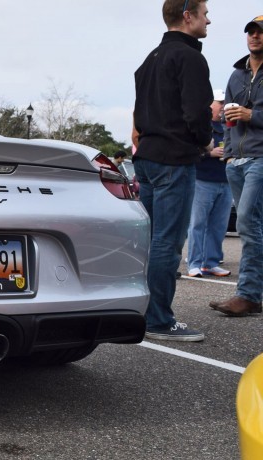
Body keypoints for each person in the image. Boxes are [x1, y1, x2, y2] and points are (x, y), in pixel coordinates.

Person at [133, 0, 213, 341]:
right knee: (167, 242)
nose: (209, 20)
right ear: (187, 16)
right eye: (205, 13)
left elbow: (139, 113)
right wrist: (204, 142)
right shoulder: (190, 57)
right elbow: (197, 114)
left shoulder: (148, 60)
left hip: (147, 158)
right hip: (173, 159)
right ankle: (159, 319)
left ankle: (139, 312)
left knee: (147, 242)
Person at [209, 16, 263, 317]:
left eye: (260, 33)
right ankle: (253, 293)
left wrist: (251, 115)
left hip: (260, 159)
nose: (255, 37)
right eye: (251, 32)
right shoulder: (236, 75)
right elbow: (226, 121)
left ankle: (248, 294)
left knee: (245, 223)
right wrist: (228, 154)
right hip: (236, 163)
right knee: (256, 227)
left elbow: (245, 115)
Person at [185, 89, 232, 278]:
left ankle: (210, 263)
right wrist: (208, 153)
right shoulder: (200, 127)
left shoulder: (228, 127)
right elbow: (188, 151)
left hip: (225, 181)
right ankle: (194, 263)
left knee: (218, 226)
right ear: (209, 104)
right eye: (219, 102)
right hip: (202, 180)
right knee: (197, 224)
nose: (222, 106)